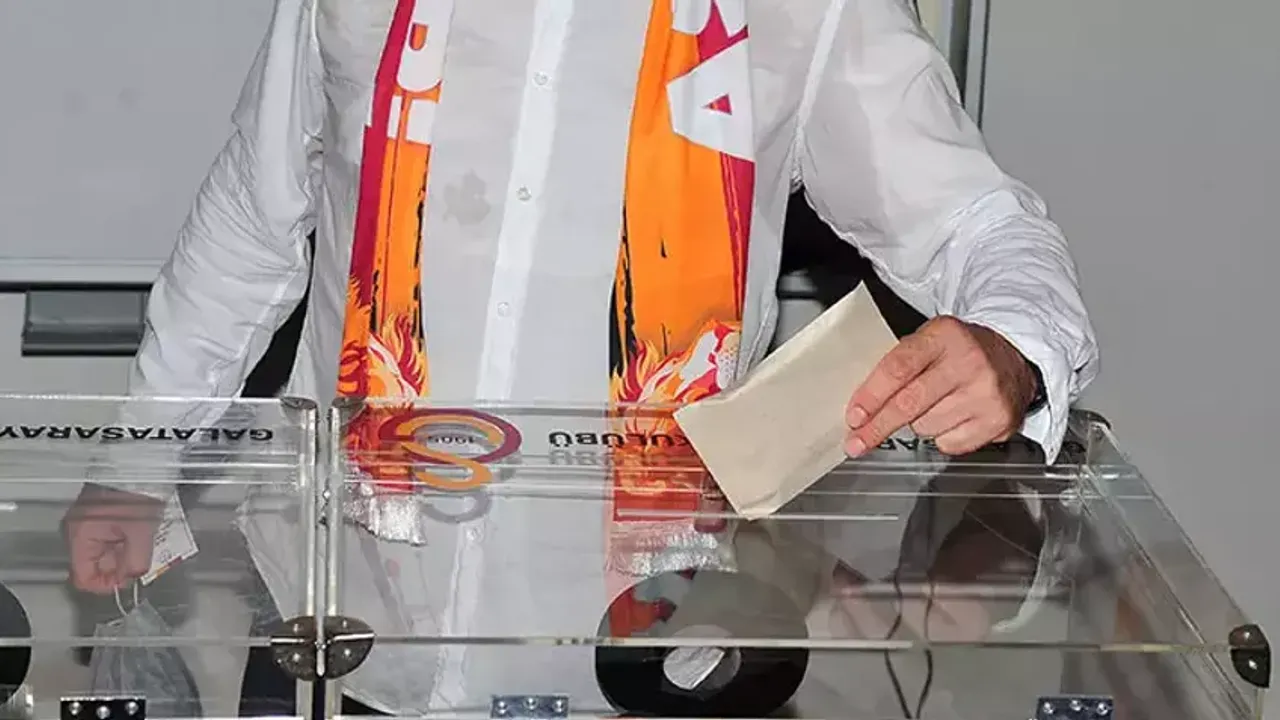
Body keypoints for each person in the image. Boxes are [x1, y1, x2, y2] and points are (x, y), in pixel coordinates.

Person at [64, 0, 1099, 714]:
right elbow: (253, 220)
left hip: (631, 658)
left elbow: (977, 224)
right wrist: (133, 463)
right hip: (336, 630)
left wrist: (1013, 343)